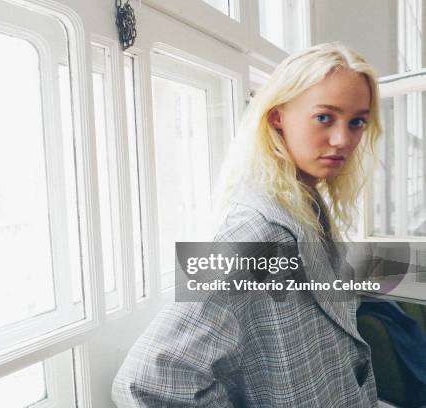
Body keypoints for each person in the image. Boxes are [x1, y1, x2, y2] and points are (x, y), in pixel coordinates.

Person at [112, 42, 383, 407]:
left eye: (357, 122)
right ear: (277, 117)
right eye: (324, 117)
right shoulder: (258, 232)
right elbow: (147, 382)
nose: (343, 140)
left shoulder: (307, 205)